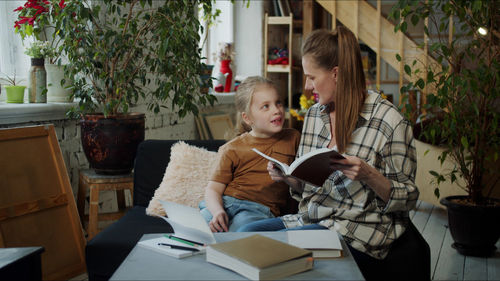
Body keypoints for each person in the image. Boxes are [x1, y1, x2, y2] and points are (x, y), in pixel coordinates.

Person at [239, 27, 430, 281]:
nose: (307, 87)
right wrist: (289, 178)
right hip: (312, 220)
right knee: (243, 234)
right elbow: (310, 186)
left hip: (358, 231)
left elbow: (407, 199)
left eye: (311, 77)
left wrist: (369, 175)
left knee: (270, 258)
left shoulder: (390, 122)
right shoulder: (315, 115)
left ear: (336, 74)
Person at [199, 76, 301, 232]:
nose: (276, 110)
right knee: (200, 224)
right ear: (247, 118)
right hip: (227, 203)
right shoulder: (231, 149)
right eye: (265, 106)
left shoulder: (293, 138)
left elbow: (304, 182)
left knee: (242, 228)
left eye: (278, 102)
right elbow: (213, 189)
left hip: (259, 210)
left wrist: (287, 179)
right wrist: (217, 211)